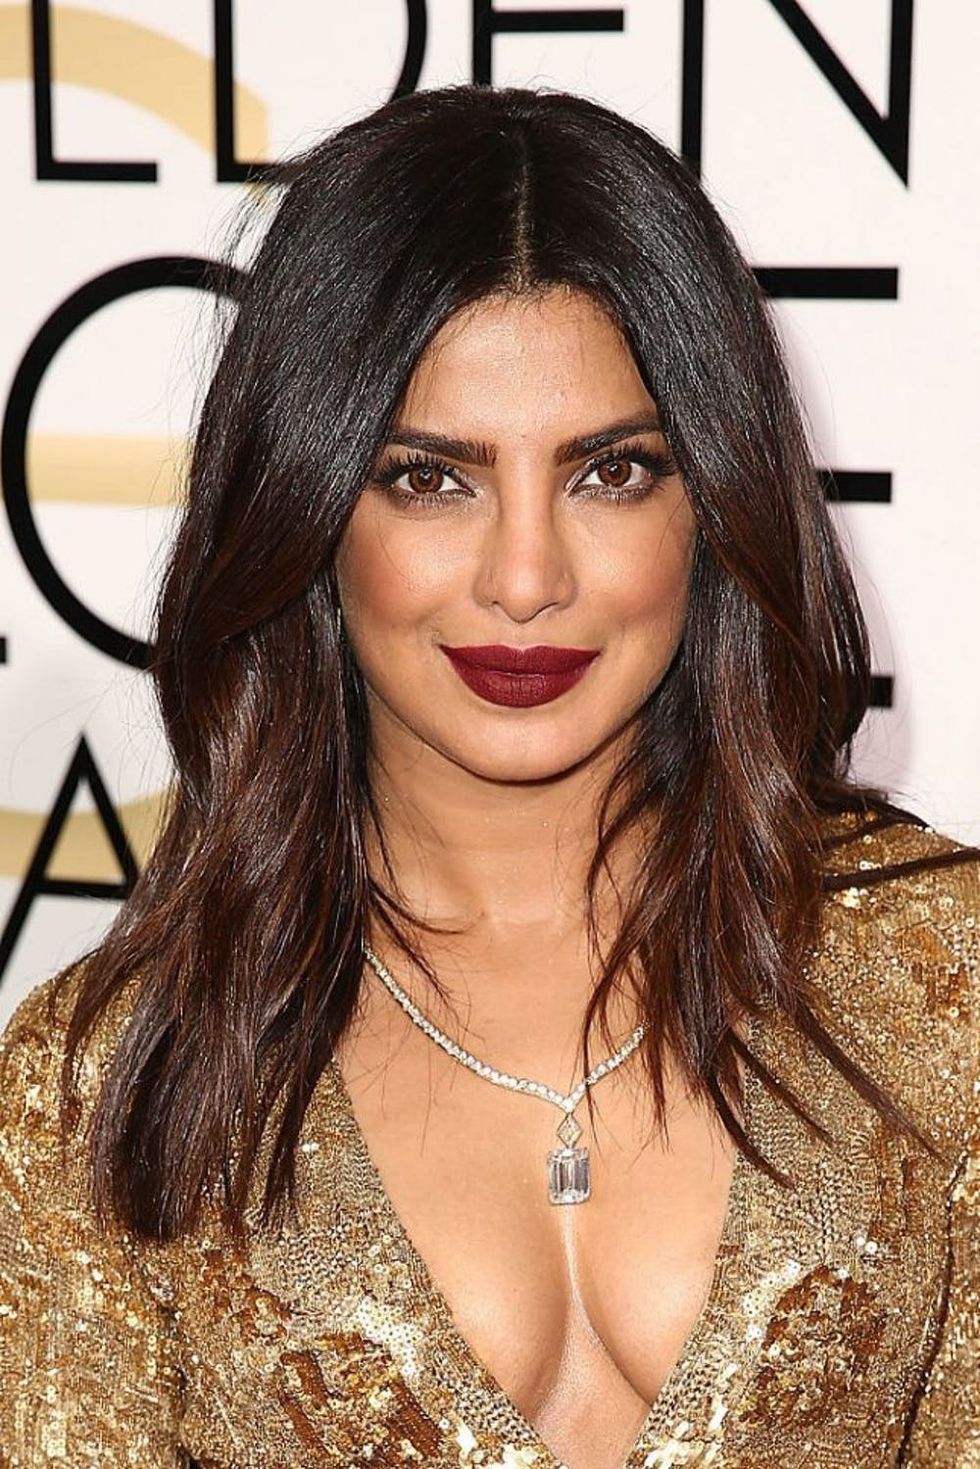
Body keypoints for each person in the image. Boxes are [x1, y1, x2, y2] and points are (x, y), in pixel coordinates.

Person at [0, 81, 977, 1469]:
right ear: (307, 503)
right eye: (431, 478)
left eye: (611, 473)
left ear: (714, 499)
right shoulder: (112, 1081)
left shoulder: (941, 978)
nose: (527, 578)